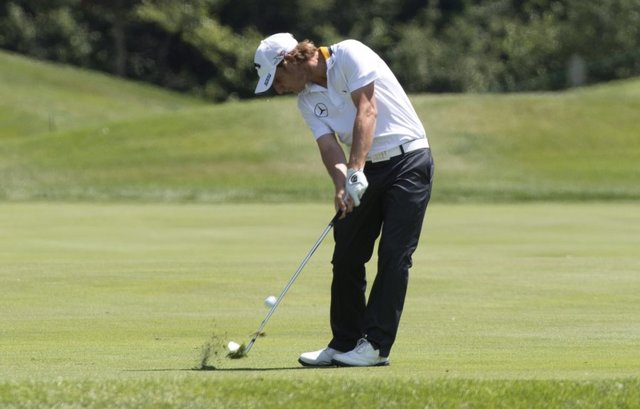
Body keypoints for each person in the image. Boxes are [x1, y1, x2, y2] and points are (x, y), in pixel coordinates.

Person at [253, 33, 434, 367]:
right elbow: (328, 146)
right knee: (347, 255)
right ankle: (344, 342)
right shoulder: (305, 100)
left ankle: (376, 346)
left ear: (291, 59)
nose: (276, 88)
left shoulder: (350, 54)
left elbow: (367, 110)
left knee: (395, 255)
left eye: (276, 79)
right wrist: (341, 183)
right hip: (364, 170)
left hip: (407, 161)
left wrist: (355, 170)